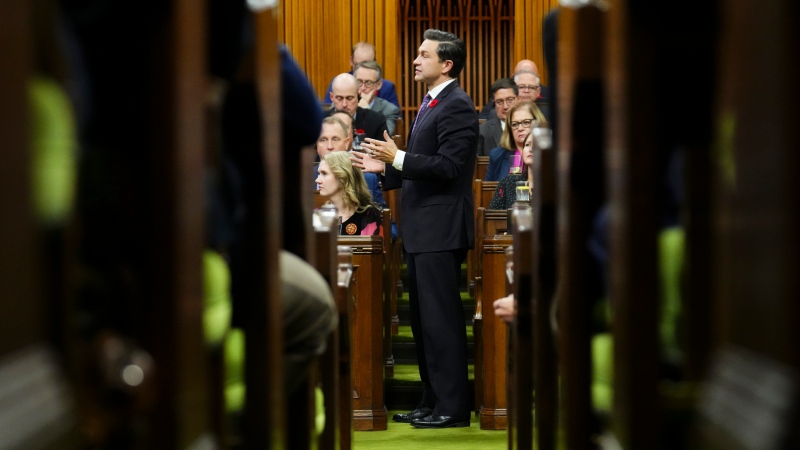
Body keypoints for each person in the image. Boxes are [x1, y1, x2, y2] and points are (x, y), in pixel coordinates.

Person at [353, 28, 477, 429]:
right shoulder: (430, 102)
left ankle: (453, 407)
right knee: (424, 323)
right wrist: (387, 167)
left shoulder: (457, 104)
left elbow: (450, 167)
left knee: (441, 321)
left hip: (441, 228)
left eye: (424, 54)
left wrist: (398, 157)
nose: (415, 60)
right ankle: (432, 398)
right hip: (423, 228)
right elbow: (420, 164)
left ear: (447, 64)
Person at [315, 151, 384, 236]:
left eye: (324, 173)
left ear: (342, 177)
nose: (317, 180)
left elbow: (371, 248)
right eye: (319, 174)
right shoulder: (317, 216)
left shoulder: (368, 215)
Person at [324, 42, 400, 108]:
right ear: (351, 61)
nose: (363, 69)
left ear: (375, 62)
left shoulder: (387, 87)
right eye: (358, 65)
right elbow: (328, 113)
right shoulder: (339, 82)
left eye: (368, 64)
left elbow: (396, 121)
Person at [485, 102, 546, 182]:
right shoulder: (497, 155)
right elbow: (488, 191)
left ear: (538, 123)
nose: (520, 128)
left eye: (526, 122)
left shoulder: (549, 155)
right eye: (515, 124)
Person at [327, 73, 388, 141]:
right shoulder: (320, 121)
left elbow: (386, 150)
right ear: (331, 97)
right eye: (339, 98)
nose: (344, 104)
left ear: (358, 96)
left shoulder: (376, 121)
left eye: (349, 98)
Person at [488, 131, 534, 210]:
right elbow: (493, 217)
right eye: (527, 145)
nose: (531, 149)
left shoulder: (556, 186)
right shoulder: (508, 182)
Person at [354, 61, 401, 135]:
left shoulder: (389, 110)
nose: (362, 88)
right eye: (359, 81)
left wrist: (365, 110)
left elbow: (384, 138)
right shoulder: (341, 104)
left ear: (378, 85)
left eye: (368, 82)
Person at [477, 78, 518, 156]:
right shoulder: (482, 132)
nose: (505, 106)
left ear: (518, 99)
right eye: (499, 102)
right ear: (494, 103)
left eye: (510, 100)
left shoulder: (530, 129)